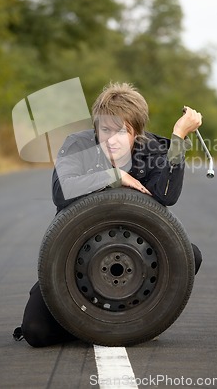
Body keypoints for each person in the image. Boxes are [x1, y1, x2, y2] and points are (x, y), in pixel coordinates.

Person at [13, 82, 203, 347]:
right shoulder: (78, 145)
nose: (111, 140)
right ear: (96, 128)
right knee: (35, 332)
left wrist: (179, 137)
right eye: (105, 130)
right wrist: (113, 177)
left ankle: (142, 319)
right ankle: (93, 324)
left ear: (136, 132)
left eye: (121, 132)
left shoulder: (154, 150)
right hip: (73, 259)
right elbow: (61, 191)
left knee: (189, 254)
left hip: (137, 258)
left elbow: (167, 195)